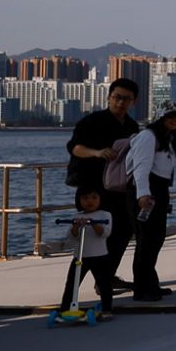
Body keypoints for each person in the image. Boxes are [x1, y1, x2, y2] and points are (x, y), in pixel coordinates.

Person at [65, 76, 141, 311]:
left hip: (118, 187)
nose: (121, 102)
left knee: (121, 232)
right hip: (92, 188)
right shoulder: (92, 121)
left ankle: (106, 277)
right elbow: (75, 147)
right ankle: (71, 295)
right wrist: (97, 153)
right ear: (109, 97)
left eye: (126, 99)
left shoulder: (131, 126)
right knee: (91, 239)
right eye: (117, 97)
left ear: (133, 101)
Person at [126, 99, 176, 301]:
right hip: (145, 190)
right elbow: (141, 167)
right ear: (161, 118)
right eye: (170, 116)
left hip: (160, 190)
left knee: (156, 238)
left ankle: (150, 283)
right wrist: (142, 194)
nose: (174, 120)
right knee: (145, 240)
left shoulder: (170, 139)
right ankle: (141, 288)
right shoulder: (148, 136)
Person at [56, 186, 113, 322]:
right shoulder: (77, 216)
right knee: (72, 283)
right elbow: (72, 236)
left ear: (100, 199)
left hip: (100, 256)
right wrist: (76, 226)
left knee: (104, 284)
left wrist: (93, 224)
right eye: (85, 198)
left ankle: (107, 309)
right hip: (80, 256)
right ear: (79, 200)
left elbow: (105, 233)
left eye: (94, 197)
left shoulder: (105, 215)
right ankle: (65, 308)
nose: (89, 201)